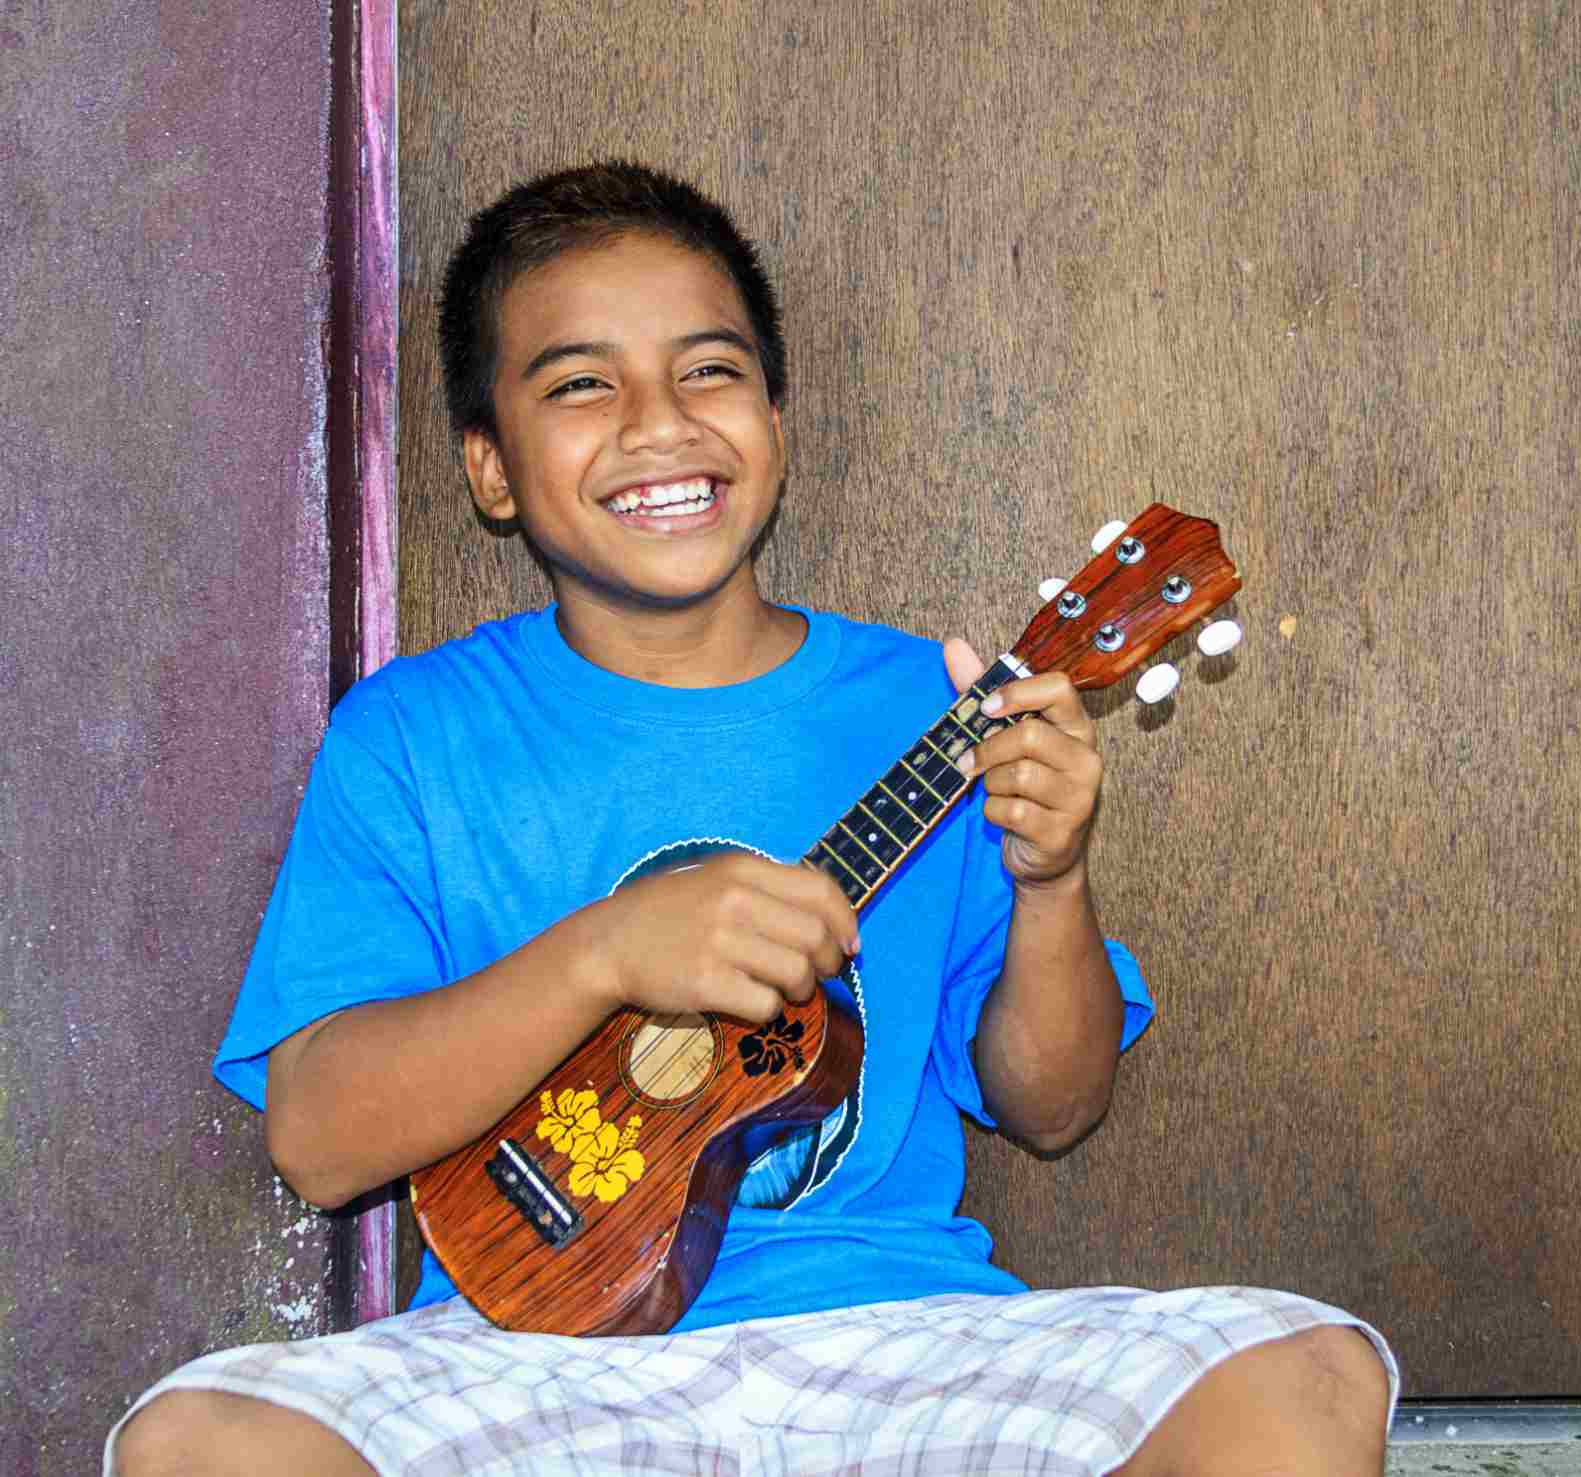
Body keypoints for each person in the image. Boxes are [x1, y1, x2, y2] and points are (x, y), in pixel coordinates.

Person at [108, 161, 1396, 1476]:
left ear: (776, 423)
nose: (658, 422)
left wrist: (1053, 875)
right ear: (490, 470)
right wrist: (603, 951)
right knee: (198, 1439)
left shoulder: (928, 705)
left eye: (709, 371)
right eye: (579, 384)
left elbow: (1052, 1103)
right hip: (533, 1354)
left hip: (902, 1335)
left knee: (1302, 1371)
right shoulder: (416, 734)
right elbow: (320, 1141)